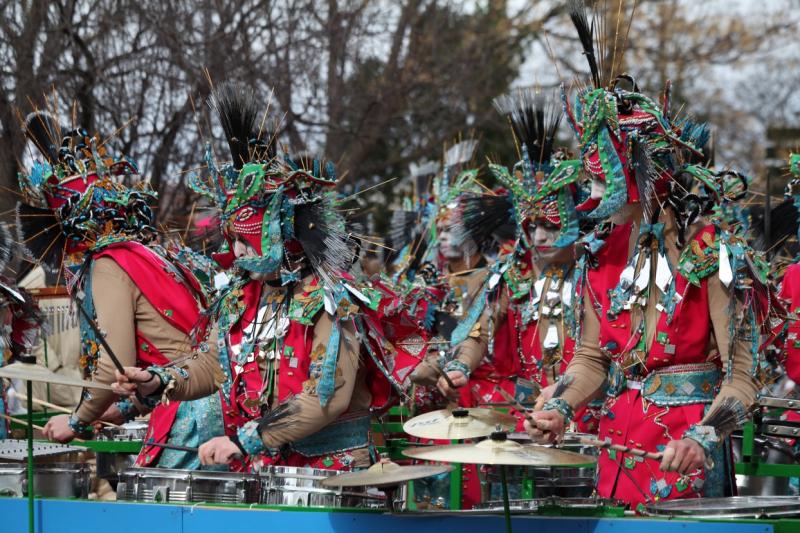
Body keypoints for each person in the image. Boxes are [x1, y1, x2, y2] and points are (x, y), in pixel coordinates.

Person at [525, 2, 775, 510]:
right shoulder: (598, 253)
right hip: (617, 448)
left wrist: (704, 438)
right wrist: (561, 406)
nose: (592, 193)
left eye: (603, 177)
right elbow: (592, 359)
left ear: (643, 175)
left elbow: (744, 375)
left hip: (684, 453)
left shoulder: (709, 250)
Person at [113, 83, 428, 471]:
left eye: (248, 241)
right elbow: (214, 365)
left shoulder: (331, 300)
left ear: (285, 234)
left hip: (329, 473)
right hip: (264, 466)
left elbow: (327, 395)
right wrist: (160, 381)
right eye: (234, 241)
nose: (240, 253)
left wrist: (246, 439)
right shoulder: (242, 297)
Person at [18, 109, 223, 469]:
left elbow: (116, 363)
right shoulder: (149, 252)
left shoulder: (109, 264)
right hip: (204, 396)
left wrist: (77, 420)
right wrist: (124, 408)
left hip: (189, 410)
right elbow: (165, 349)